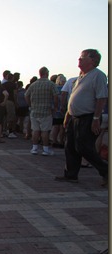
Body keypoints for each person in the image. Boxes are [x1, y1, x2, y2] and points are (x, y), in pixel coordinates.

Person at [55, 49, 108, 187]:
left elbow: (101, 98)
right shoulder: (81, 77)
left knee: (84, 148)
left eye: (82, 57)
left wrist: (96, 118)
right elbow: (73, 97)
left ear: (92, 60)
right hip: (75, 117)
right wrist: (68, 114)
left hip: (88, 117)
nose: (79, 59)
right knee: (70, 147)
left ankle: (106, 172)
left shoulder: (98, 75)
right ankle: (71, 174)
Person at [25, 67, 59, 156]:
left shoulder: (33, 84)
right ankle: (45, 149)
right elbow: (56, 96)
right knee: (45, 131)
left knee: (35, 130)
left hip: (34, 111)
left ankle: (34, 148)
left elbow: (26, 95)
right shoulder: (51, 84)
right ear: (46, 73)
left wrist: (30, 105)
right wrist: (55, 107)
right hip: (46, 111)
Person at [50, 74, 67, 148]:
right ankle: (61, 141)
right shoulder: (65, 88)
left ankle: (54, 140)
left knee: (55, 126)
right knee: (62, 127)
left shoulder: (54, 88)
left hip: (55, 109)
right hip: (63, 109)